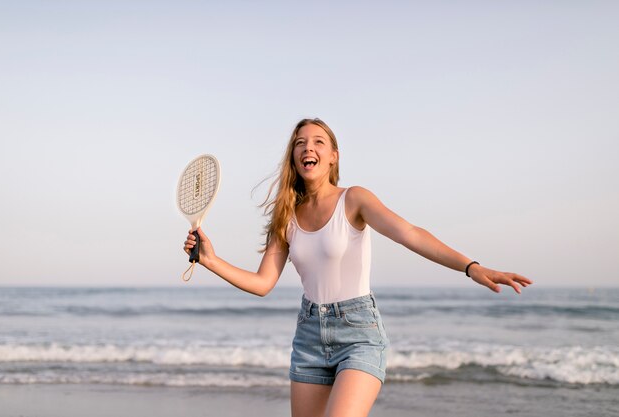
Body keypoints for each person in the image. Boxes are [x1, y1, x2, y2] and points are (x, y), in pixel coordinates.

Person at [183, 118, 533, 417]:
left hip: (359, 333)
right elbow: (262, 283)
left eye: (318, 142)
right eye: (300, 143)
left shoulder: (354, 199)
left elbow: (410, 234)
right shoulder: (286, 217)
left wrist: (470, 267)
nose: (309, 148)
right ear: (293, 156)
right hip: (308, 337)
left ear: (333, 156)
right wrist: (210, 260)